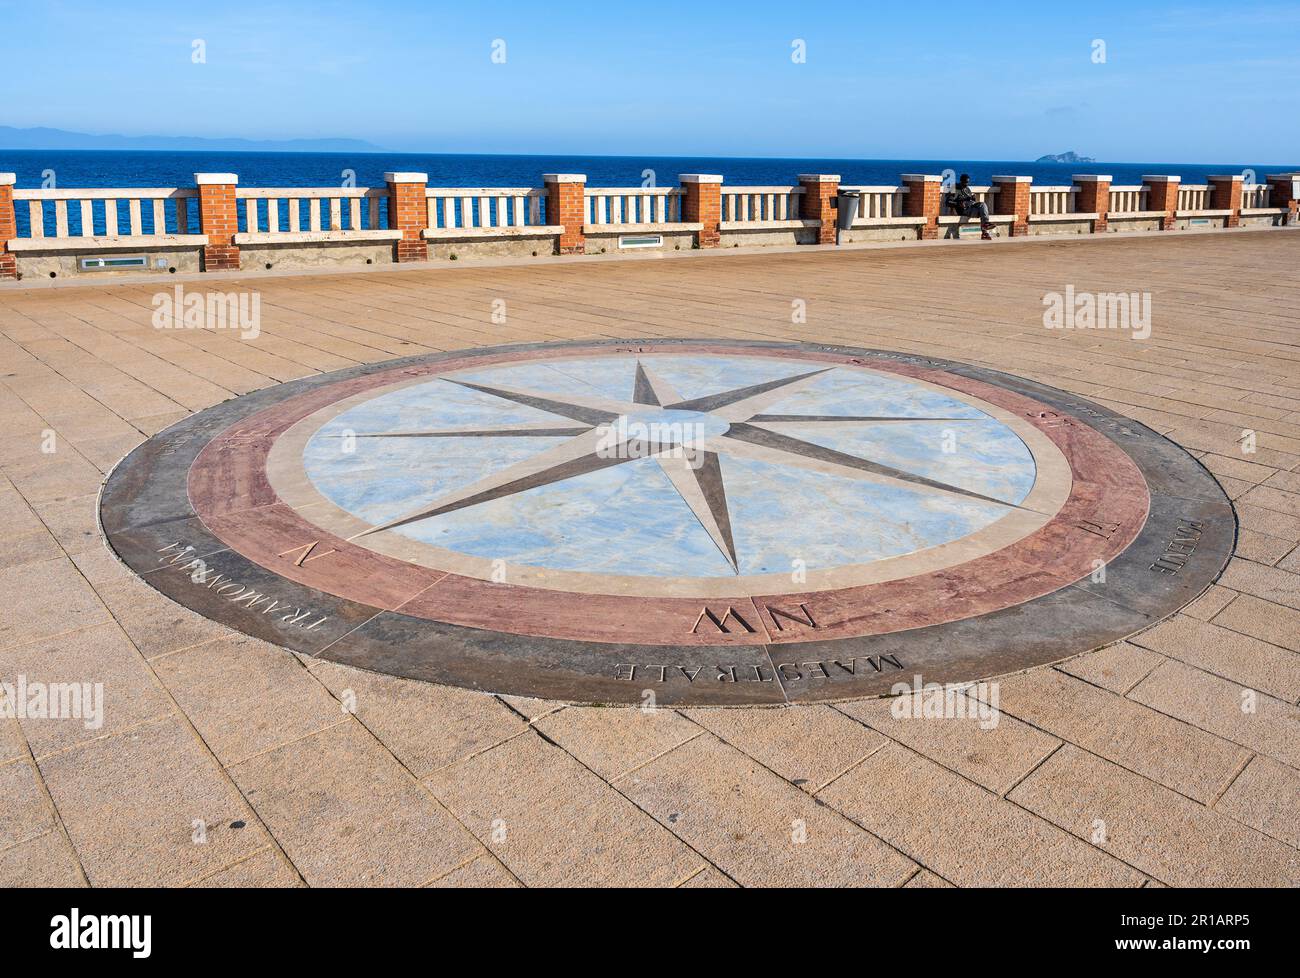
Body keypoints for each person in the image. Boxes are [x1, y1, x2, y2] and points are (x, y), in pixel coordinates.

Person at [947, 174, 995, 239]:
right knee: (983, 212)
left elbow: (970, 200)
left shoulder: (967, 189)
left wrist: (973, 198)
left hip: (972, 207)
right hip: (965, 210)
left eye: (968, 182)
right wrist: (958, 204)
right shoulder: (955, 188)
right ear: (961, 181)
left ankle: (985, 226)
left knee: (983, 205)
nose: (966, 184)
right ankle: (985, 231)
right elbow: (948, 202)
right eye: (965, 182)